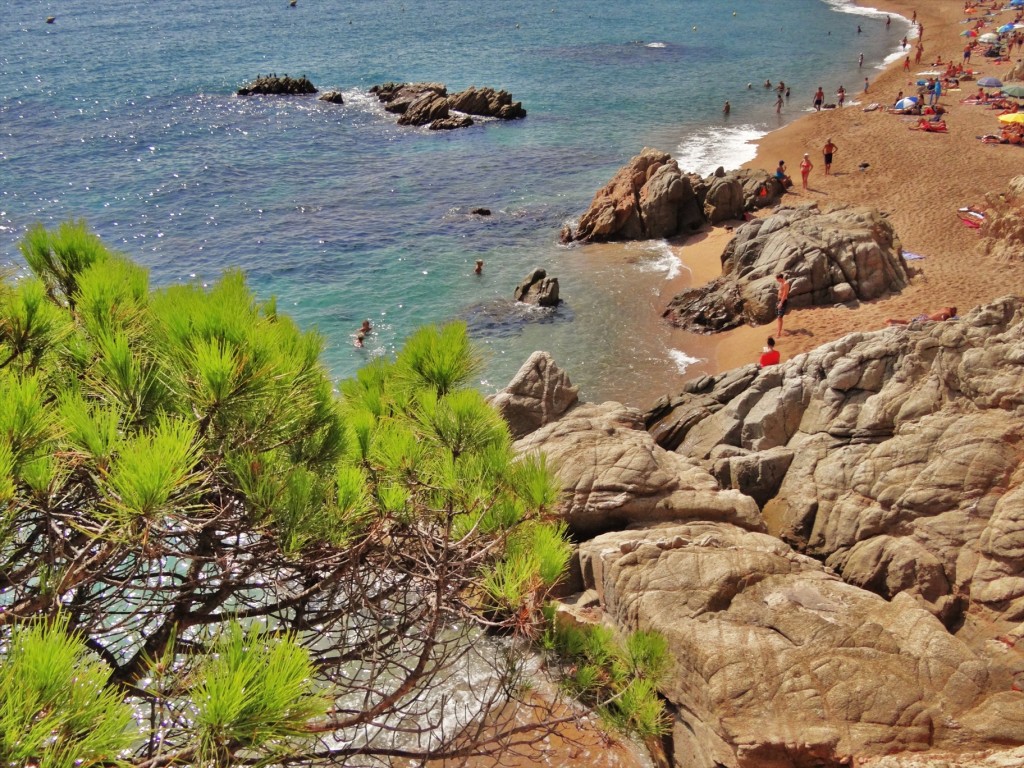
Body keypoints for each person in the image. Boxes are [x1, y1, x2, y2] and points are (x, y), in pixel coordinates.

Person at [885, 307, 957, 325]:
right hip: (925, 319)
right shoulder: (945, 315)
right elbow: (943, 318)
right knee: (908, 324)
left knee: (907, 321)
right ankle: (892, 323)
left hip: (925, 316)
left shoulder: (944, 308)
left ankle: (892, 320)